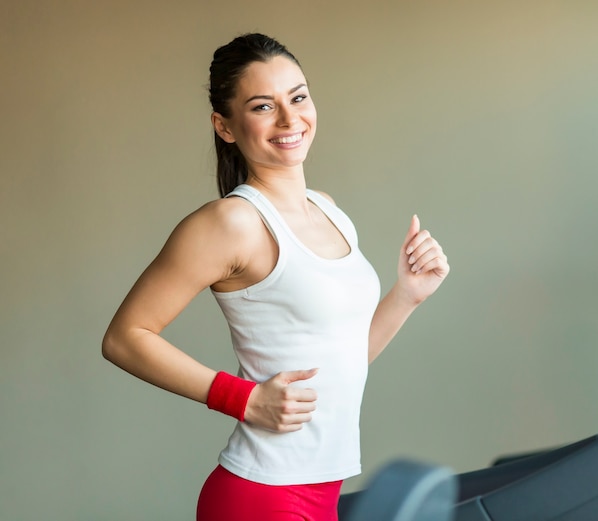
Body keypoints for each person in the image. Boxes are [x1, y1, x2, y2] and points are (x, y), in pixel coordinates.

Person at [102, 33, 450, 521]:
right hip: (263, 498)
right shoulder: (230, 223)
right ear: (224, 126)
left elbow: (340, 359)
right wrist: (242, 399)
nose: (290, 119)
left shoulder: (327, 210)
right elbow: (124, 338)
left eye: (299, 97)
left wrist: (408, 296)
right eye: (264, 106)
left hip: (320, 492)